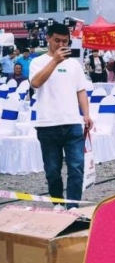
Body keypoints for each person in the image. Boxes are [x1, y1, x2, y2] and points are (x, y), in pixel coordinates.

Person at [29, 24, 93, 210]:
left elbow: (81, 91)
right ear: (48, 38)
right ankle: (57, 202)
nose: (61, 44)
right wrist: (55, 61)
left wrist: (86, 114)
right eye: (57, 40)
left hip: (72, 123)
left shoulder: (74, 64)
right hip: (47, 124)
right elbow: (36, 83)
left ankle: (72, 205)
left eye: (65, 41)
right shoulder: (37, 62)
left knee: (76, 167)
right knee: (52, 170)